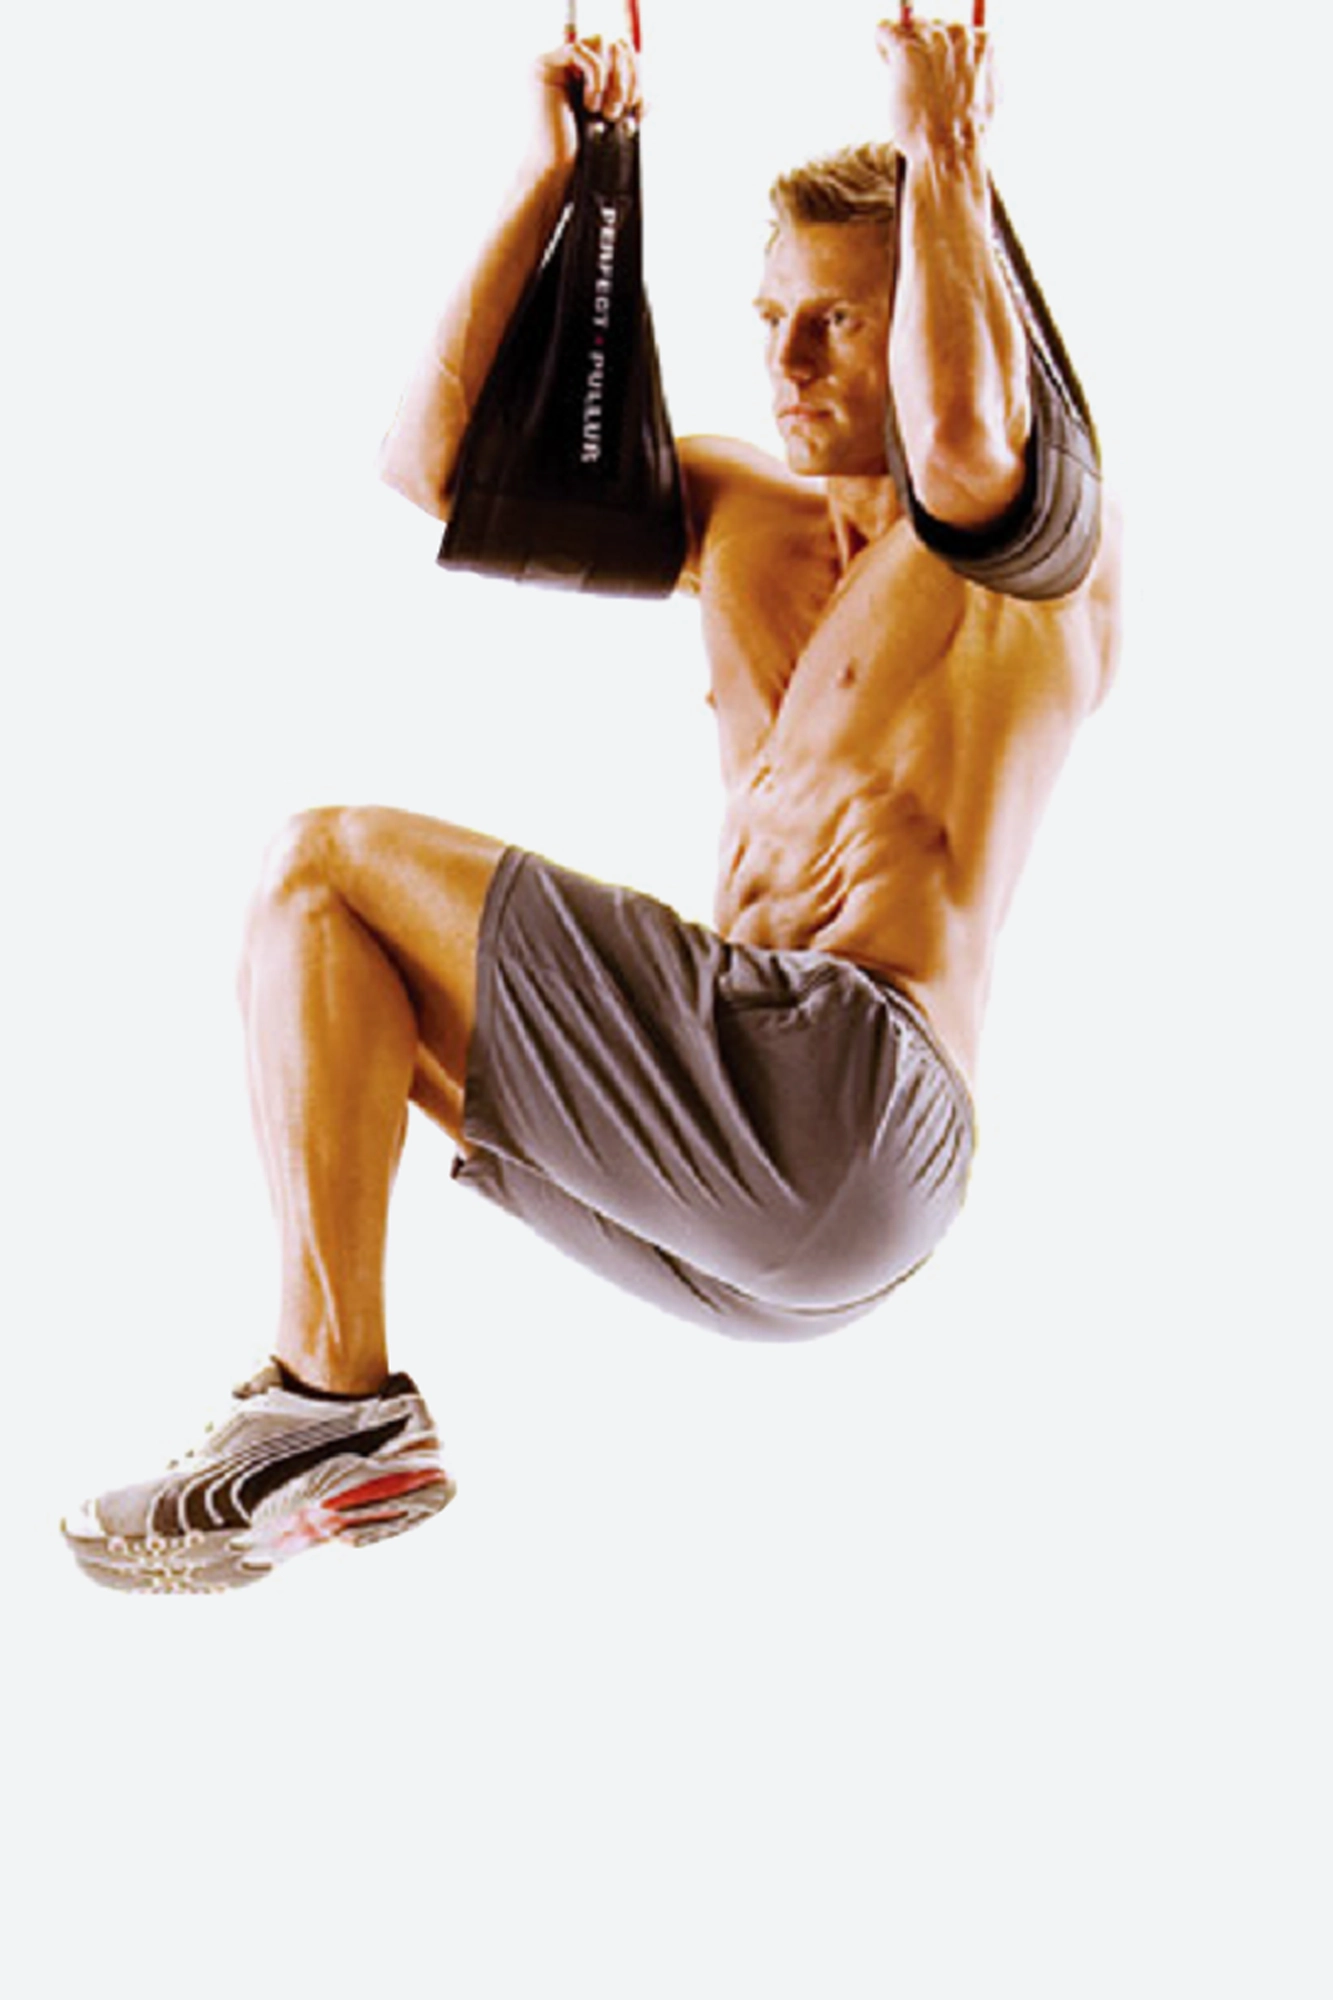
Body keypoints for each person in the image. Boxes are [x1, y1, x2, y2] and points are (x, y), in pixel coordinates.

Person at [63, 14, 1121, 1593]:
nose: (787, 362)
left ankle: (331, 1408)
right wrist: (556, 174)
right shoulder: (749, 521)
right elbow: (436, 470)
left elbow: (970, 438)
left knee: (322, 866)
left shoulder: (1033, 562)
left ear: (934, 314)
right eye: (771, 318)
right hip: (774, 1250)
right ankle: (334, 1407)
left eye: (838, 322)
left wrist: (944, 143)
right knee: (337, 961)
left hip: (854, 1088)